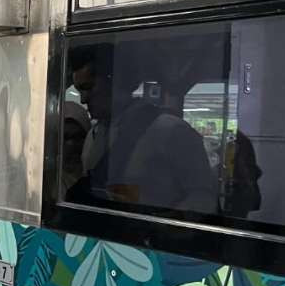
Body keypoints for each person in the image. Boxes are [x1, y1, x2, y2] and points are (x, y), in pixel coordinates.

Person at [69, 43, 218, 213]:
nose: (83, 99)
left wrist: (162, 228)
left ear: (116, 81)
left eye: (88, 88)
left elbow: (203, 197)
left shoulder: (171, 131)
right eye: (79, 90)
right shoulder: (92, 137)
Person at [60, 101, 91, 196]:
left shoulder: (96, 179)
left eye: (78, 136)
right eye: (65, 137)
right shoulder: (47, 182)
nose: (72, 144)